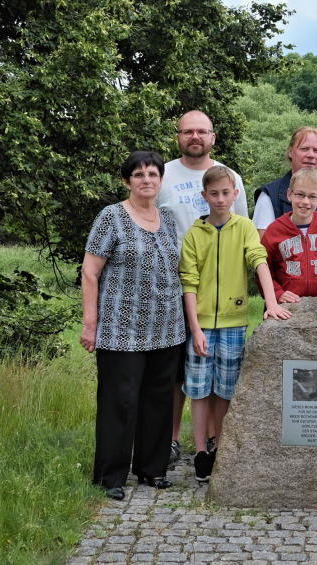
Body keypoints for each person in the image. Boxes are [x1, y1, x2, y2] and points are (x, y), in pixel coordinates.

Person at [81, 151, 186, 500]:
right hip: (121, 329)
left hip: (167, 328)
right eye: (139, 174)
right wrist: (89, 322)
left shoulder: (168, 219)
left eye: (153, 174)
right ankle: (110, 477)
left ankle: (151, 469)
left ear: (160, 180)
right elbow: (90, 272)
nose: (147, 179)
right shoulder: (111, 217)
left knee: (158, 401)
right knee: (119, 402)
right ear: (127, 181)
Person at [180, 165, 291, 483]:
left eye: (225, 193)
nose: (219, 199)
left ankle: (220, 447)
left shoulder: (244, 227)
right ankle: (200, 451)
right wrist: (196, 328)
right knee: (200, 390)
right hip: (201, 324)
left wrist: (271, 302)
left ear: (235, 194)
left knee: (226, 389)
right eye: (213, 194)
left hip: (233, 323)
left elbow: (259, 261)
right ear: (204, 196)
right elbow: (189, 282)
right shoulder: (193, 234)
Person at [157, 110, 249, 466]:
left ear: (213, 137)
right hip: (169, 285)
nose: (195, 137)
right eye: (188, 131)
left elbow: (240, 231)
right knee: (175, 370)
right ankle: (171, 440)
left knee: (210, 368)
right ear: (178, 136)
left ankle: (211, 441)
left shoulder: (229, 177)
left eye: (202, 131)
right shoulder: (163, 173)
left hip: (214, 294)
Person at [261, 168, 317, 303]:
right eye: (300, 195)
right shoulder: (274, 230)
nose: (305, 202)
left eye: (312, 197)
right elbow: (262, 268)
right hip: (288, 305)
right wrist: (277, 293)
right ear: (289, 194)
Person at [253, 126, 317, 242]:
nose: (311, 155)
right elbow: (263, 241)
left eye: (316, 150)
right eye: (304, 149)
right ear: (291, 152)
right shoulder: (269, 194)